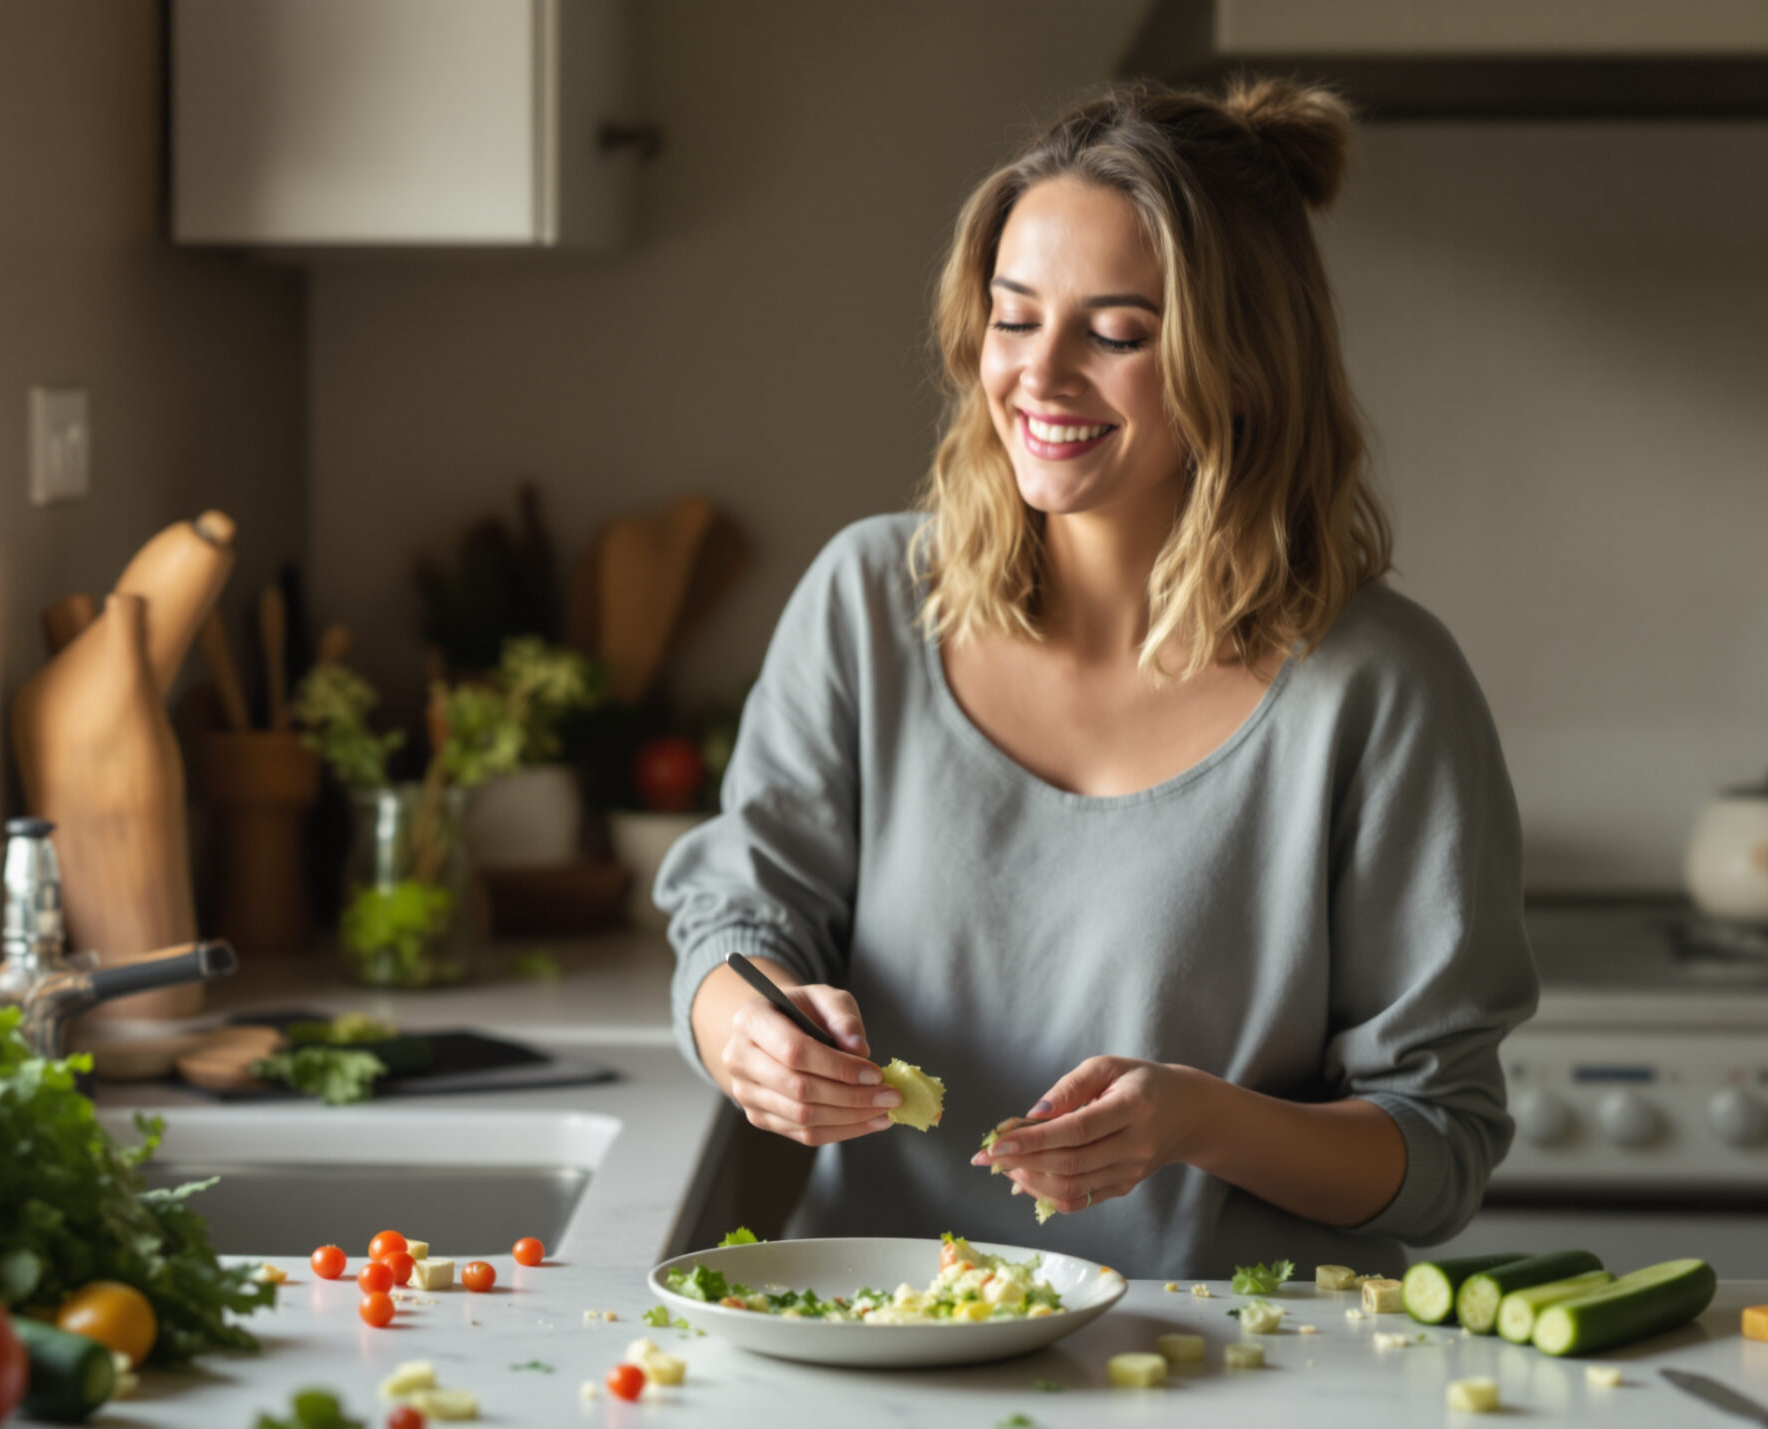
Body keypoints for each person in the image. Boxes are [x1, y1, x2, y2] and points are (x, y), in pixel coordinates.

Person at [653, 78, 1539, 1277]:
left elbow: (1437, 1147)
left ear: (1242, 367)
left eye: (1115, 334)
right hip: (894, 1330)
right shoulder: (869, 601)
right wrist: (749, 1030)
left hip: (1237, 1351)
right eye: (1014, 319)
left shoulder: (1382, 687)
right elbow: (737, 919)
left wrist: (1199, 1122)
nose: (1041, 375)